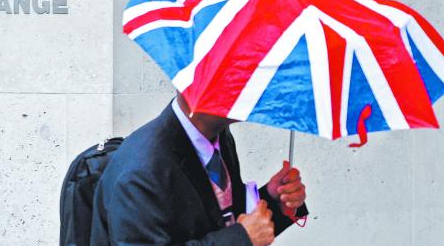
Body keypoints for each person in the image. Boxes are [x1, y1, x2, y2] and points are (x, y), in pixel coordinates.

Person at [90, 93, 308, 245]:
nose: (249, 89)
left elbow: (221, 218)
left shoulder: (218, 137)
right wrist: (241, 239)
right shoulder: (142, 172)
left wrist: (273, 200)